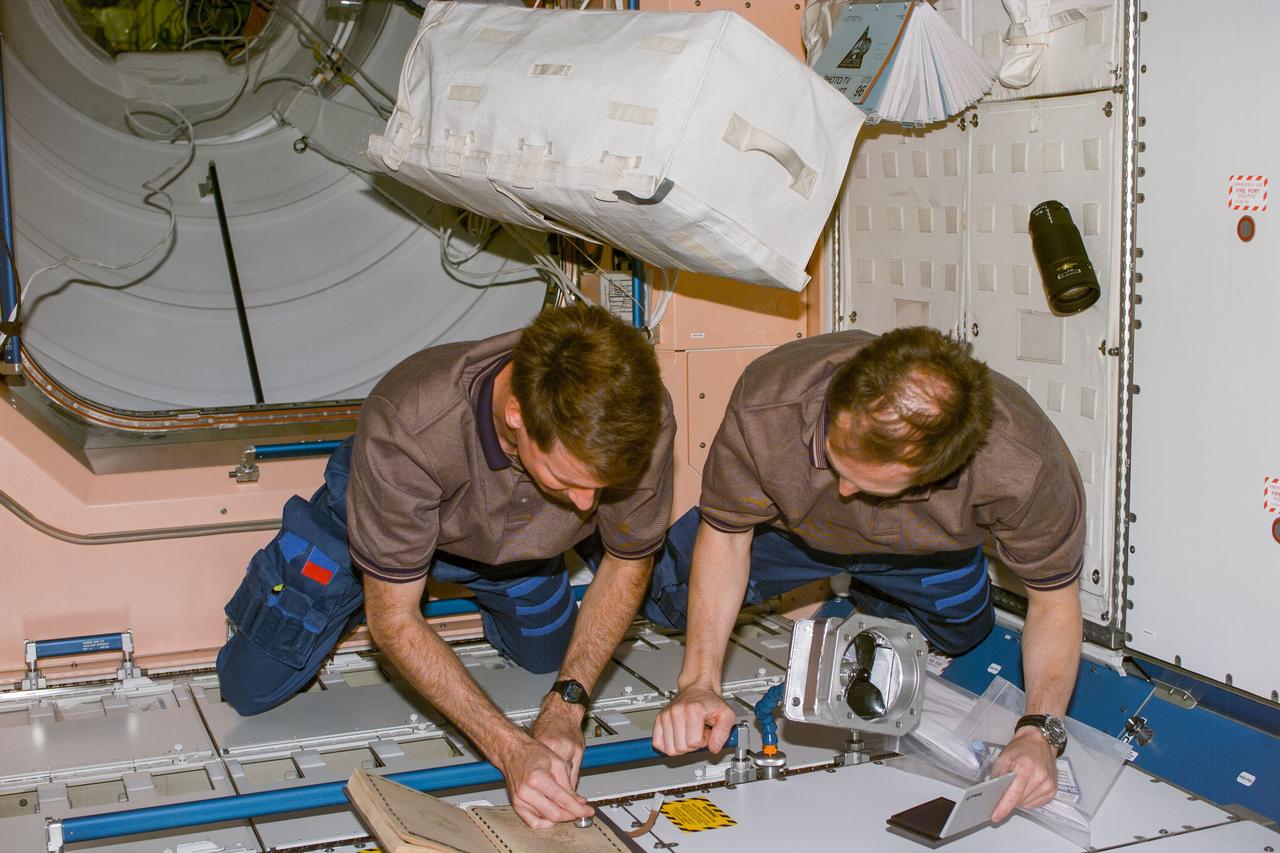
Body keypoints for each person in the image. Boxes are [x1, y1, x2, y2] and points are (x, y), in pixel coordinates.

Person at [216, 304, 674, 829]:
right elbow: (395, 620)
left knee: (551, 661)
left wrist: (566, 706)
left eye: (603, 486)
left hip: (519, 539)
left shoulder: (638, 414)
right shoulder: (410, 421)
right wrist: (510, 751)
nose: (590, 506)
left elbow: (628, 556)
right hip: (367, 523)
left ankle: (516, 572)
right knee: (248, 688)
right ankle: (353, 573)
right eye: (567, 478)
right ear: (517, 414)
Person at [647, 326, 1084, 822]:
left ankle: (854, 603)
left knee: (962, 633)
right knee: (664, 598)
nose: (846, 493)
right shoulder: (769, 404)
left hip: (924, 551)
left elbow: (1054, 600)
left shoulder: (1021, 463)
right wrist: (699, 681)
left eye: (870, 483)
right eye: (837, 465)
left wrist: (1039, 733)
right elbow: (726, 538)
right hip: (790, 533)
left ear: (943, 470)